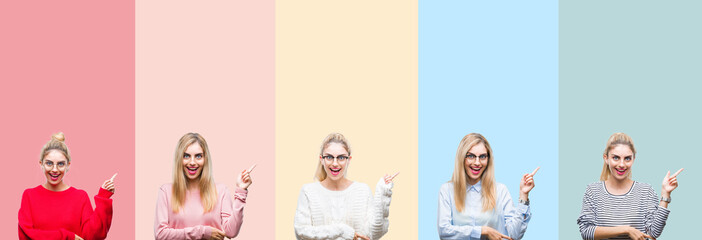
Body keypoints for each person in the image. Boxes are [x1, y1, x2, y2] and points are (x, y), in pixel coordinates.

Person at [577, 132, 682, 240]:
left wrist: (665, 194)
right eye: (616, 158)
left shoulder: (645, 191)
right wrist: (626, 230)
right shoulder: (593, 191)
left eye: (627, 158)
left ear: (633, 159)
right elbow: (586, 232)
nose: (622, 164)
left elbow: (653, 233)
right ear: (606, 158)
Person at [294, 133, 399, 240]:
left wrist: (382, 194)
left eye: (341, 157)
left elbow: (373, 234)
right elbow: (301, 232)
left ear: (348, 159)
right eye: (329, 157)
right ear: (322, 159)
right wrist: (341, 230)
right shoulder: (308, 191)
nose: (335, 163)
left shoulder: (362, 191)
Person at [154, 133, 255, 240]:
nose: (192, 162)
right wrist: (202, 232)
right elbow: (160, 234)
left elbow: (231, 232)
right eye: (186, 156)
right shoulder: (166, 191)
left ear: (205, 159)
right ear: (179, 159)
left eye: (198, 156)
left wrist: (241, 191)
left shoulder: (221, 191)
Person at [438, 133, 538, 240]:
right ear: (462, 158)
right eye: (471, 156)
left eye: (482, 157)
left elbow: (514, 235)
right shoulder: (447, 190)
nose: (477, 162)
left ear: (488, 159)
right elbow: (444, 231)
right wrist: (482, 231)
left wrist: (523, 196)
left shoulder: (500, 190)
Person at [18, 132, 117, 240]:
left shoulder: (80, 197)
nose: (55, 169)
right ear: (41, 164)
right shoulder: (29, 195)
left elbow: (93, 236)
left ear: (68, 165)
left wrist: (103, 197)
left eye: (60, 164)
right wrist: (67, 236)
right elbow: (27, 234)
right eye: (49, 163)